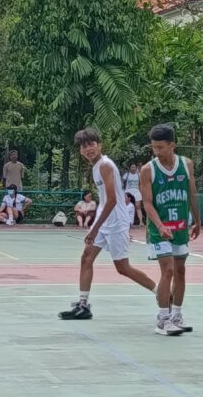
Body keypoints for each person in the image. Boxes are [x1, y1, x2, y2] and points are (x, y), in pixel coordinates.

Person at [58, 128, 158, 321]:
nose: (88, 149)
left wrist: (94, 229)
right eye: (84, 146)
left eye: (91, 144)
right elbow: (105, 201)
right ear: (80, 151)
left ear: (99, 145)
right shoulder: (96, 167)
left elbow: (112, 201)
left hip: (116, 222)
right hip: (105, 221)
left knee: (123, 267)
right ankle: (83, 305)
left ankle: (161, 293)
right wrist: (96, 225)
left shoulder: (105, 165)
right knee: (86, 257)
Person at [140, 124, 201, 336]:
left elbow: (192, 194)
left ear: (172, 145)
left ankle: (177, 315)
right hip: (159, 229)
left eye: (160, 147)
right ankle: (163, 318)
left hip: (180, 227)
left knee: (180, 271)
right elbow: (147, 203)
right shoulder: (148, 170)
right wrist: (159, 225)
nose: (156, 151)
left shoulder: (186, 164)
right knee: (167, 270)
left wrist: (198, 220)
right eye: (154, 147)